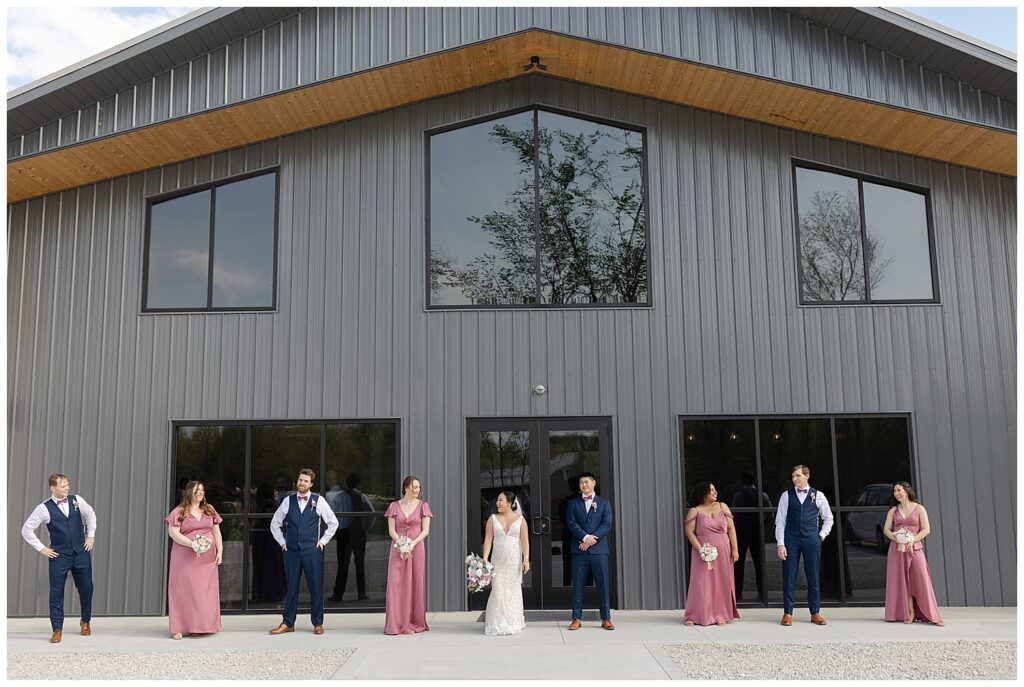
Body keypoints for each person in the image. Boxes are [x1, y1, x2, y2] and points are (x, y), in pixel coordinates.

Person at [21, 473, 97, 643]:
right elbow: (26, 529)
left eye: (67, 484)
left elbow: (90, 514)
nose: (67, 488)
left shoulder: (76, 500)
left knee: (87, 588)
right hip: (59, 556)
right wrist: (42, 549)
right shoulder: (43, 508)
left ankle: (85, 621)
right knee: (56, 593)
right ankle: (57, 629)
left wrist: (90, 536)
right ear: (52, 488)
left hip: (81, 552)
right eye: (63, 486)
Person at [268, 469, 339, 635]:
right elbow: (275, 523)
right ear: (297, 482)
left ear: (311, 484)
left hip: (311, 551)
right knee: (291, 587)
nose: (302, 483)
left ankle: (318, 623)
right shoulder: (288, 501)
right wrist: (282, 541)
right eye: (300, 480)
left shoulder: (319, 500)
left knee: (315, 587)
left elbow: (333, 522)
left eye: (306, 481)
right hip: (291, 551)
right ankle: (288, 622)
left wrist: (322, 541)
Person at [164, 481, 224, 639]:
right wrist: (193, 544)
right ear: (190, 492)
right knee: (182, 591)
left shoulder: (209, 509)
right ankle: (178, 627)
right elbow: (173, 533)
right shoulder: (179, 511)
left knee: (203, 593)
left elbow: (216, 531)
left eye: (203, 490)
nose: (201, 493)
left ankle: (201, 626)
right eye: (198, 490)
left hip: (207, 559)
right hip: (184, 558)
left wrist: (220, 551)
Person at [775, 464, 833, 626]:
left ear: (807, 476)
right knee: (789, 576)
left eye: (798, 476)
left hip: (811, 539)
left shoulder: (818, 495)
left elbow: (829, 518)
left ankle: (815, 612)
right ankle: (787, 613)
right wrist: (780, 544)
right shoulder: (786, 496)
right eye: (793, 476)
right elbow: (780, 521)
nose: (794, 479)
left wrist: (820, 536)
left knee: (813, 575)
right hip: (790, 539)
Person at [883, 481, 944, 626]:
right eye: (894, 491)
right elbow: (886, 530)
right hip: (897, 550)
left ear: (906, 491)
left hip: (914, 548)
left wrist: (912, 540)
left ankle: (930, 613)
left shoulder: (919, 508)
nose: (896, 493)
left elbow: (926, 529)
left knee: (921, 579)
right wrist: (896, 537)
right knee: (902, 581)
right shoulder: (893, 510)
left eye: (898, 490)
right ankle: (910, 613)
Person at [683, 482, 740, 626]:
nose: (715, 492)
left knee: (722, 582)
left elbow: (731, 529)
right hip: (702, 553)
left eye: (715, 489)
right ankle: (695, 615)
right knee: (701, 583)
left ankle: (720, 614)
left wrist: (735, 549)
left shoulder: (722, 506)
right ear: (703, 494)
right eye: (711, 490)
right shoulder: (695, 511)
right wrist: (701, 550)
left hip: (724, 551)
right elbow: (689, 532)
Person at [384, 475, 432, 634]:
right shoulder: (393, 506)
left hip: (416, 549)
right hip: (397, 549)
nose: (417, 490)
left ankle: (412, 622)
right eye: (414, 487)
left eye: (418, 487)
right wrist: (401, 544)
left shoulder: (423, 506)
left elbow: (425, 531)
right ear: (406, 488)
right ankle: (396, 623)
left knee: (415, 583)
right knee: (395, 584)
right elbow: (391, 530)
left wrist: (411, 543)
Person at [566, 472, 614, 631]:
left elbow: (607, 524)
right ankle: (576, 618)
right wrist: (585, 537)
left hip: (598, 550)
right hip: (579, 550)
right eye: (581, 483)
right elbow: (571, 523)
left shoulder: (604, 503)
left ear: (594, 483)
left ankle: (606, 618)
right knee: (578, 585)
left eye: (586, 482)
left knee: (602, 585)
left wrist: (592, 540)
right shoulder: (573, 503)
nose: (583, 485)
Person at [481, 490, 529, 635]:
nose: (497, 503)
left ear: (510, 503)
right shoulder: (492, 518)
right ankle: (495, 622)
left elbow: (525, 541)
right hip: (498, 560)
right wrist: (485, 558)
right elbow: (488, 539)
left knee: (512, 590)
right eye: (497, 500)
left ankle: (512, 622)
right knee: (498, 589)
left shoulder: (520, 520)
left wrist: (526, 559)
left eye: (500, 500)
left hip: (513, 560)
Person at [329, 473, 374, 602]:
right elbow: (371, 513)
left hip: (343, 532)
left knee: (342, 564)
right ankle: (361, 592)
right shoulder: (362, 497)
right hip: (358, 532)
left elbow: (334, 515)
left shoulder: (339, 497)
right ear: (358, 484)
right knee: (359, 563)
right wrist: (366, 528)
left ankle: (338, 593)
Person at [731, 471, 771, 600]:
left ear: (742, 481)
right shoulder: (762, 495)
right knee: (759, 562)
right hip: (757, 532)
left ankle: (737, 593)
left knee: (739, 563)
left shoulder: (739, 496)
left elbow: (734, 515)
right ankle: (762, 591)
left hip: (742, 532)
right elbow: (770, 515)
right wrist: (761, 525)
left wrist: (736, 528)